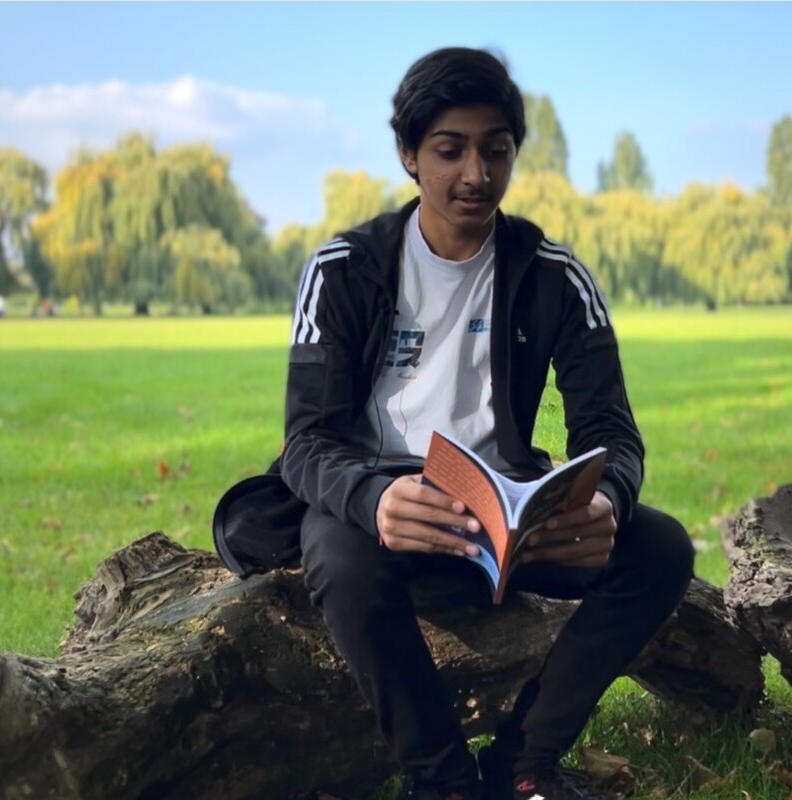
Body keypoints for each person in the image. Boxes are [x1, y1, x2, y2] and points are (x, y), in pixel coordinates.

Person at [267, 47, 692, 800]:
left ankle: (524, 763)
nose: (476, 173)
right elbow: (307, 442)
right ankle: (442, 781)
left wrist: (607, 499)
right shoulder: (343, 269)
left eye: (496, 150)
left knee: (659, 547)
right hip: (385, 515)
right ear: (408, 155)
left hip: (508, 516)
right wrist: (373, 499)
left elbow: (612, 432)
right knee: (336, 552)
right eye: (450, 150)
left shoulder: (555, 274)